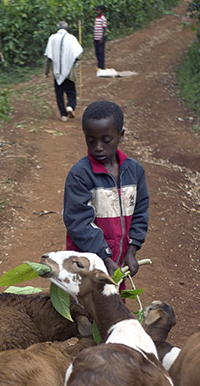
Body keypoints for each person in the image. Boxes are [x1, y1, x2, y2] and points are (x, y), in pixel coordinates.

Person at [63, 100, 148, 280]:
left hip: (117, 262)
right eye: (91, 141)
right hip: (86, 265)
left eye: (106, 140)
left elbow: (140, 213)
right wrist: (105, 258)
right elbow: (78, 223)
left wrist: (132, 250)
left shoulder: (134, 172)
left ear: (121, 135)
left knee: (114, 305)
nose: (98, 147)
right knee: (84, 307)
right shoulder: (80, 175)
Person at [44, 21, 83, 121]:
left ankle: (63, 115)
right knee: (71, 93)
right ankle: (70, 106)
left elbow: (48, 56)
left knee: (59, 93)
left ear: (57, 28)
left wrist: (46, 71)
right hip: (69, 72)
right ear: (67, 28)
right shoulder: (72, 38)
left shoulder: (52, 38)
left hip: (57, 72)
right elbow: (78, 54)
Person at [93, 6, 107, 71]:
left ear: (101, 11)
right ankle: (99, 65)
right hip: (96, 37)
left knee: (101, 52)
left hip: (100, 38)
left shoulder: (103, 18)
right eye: (97, 10)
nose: (97, 12)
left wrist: (102, 37)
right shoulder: (96, 18)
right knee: (97, 52)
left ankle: (102, 66)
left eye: (98, 10)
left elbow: (104, 28)